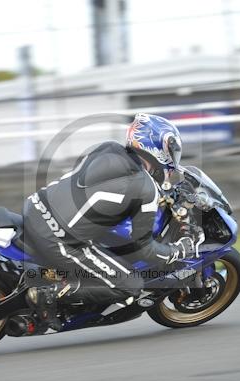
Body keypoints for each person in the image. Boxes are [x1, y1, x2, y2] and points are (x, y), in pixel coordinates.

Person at [21, 113, 198, 329]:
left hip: (35, 206)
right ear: (159, 149)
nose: (173, 158)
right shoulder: (145, 188)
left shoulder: (106, 148)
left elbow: (103, 196)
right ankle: (50, 294)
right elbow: (143, 249)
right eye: (172, 152)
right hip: (58, 239)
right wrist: (179, 251)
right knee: (131, 285)